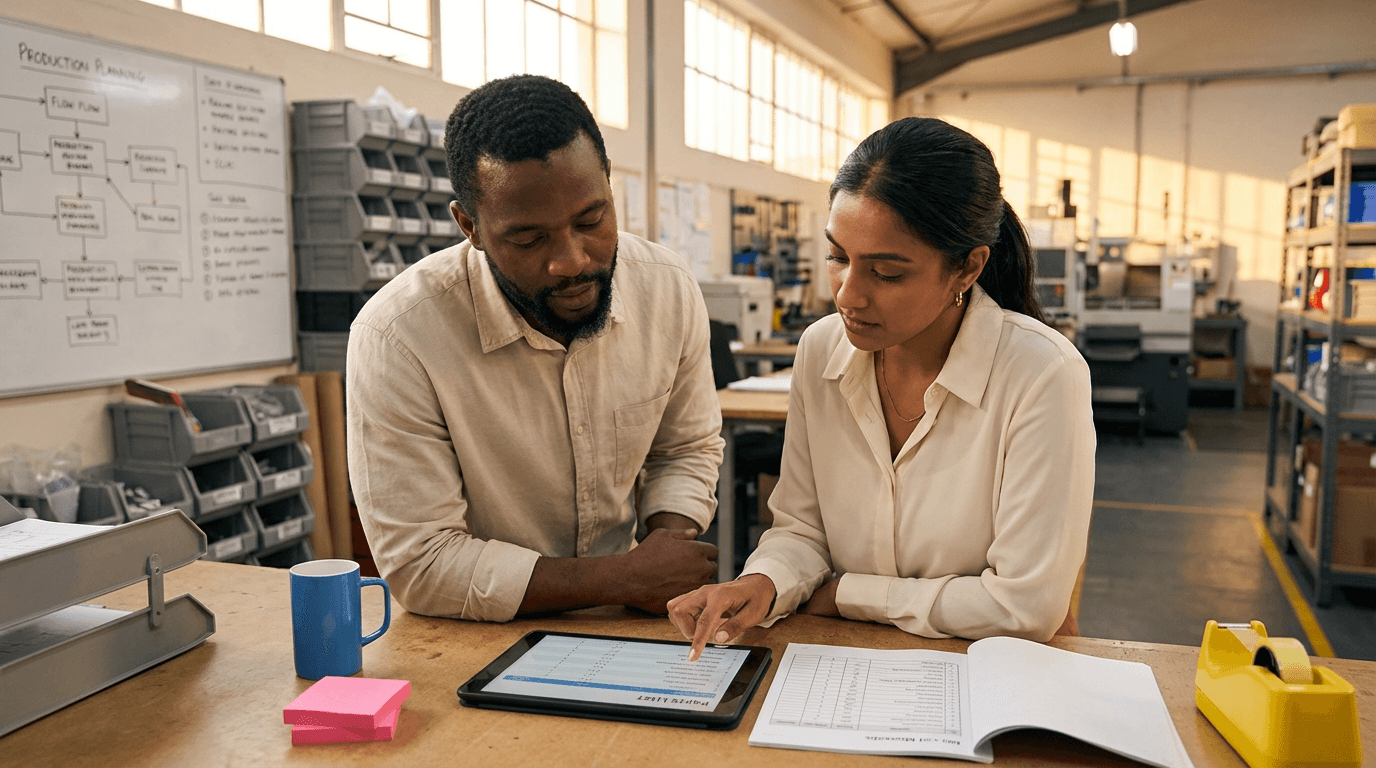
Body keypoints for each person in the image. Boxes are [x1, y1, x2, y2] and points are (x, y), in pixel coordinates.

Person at [668, 117, 1095, 659]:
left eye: (886, 273)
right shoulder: (822, 351)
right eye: (837, 257)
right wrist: (763, 584)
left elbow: (1023, 608)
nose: (848, 294)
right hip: (843, 663)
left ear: (967, 268)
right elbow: (802, 529)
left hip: (980, 671)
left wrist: (847, 594)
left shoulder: (1041, 374)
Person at [347, 75, 723, 622]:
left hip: (627, 616)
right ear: (469, 225)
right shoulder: (399, 337)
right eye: (528, 239)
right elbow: (421, 564)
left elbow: (685, 447)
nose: (571, 260)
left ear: (609, 187)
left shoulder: (666, 287)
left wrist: (666, 542)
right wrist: (626, 577)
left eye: (591, 220)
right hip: (469, 636)